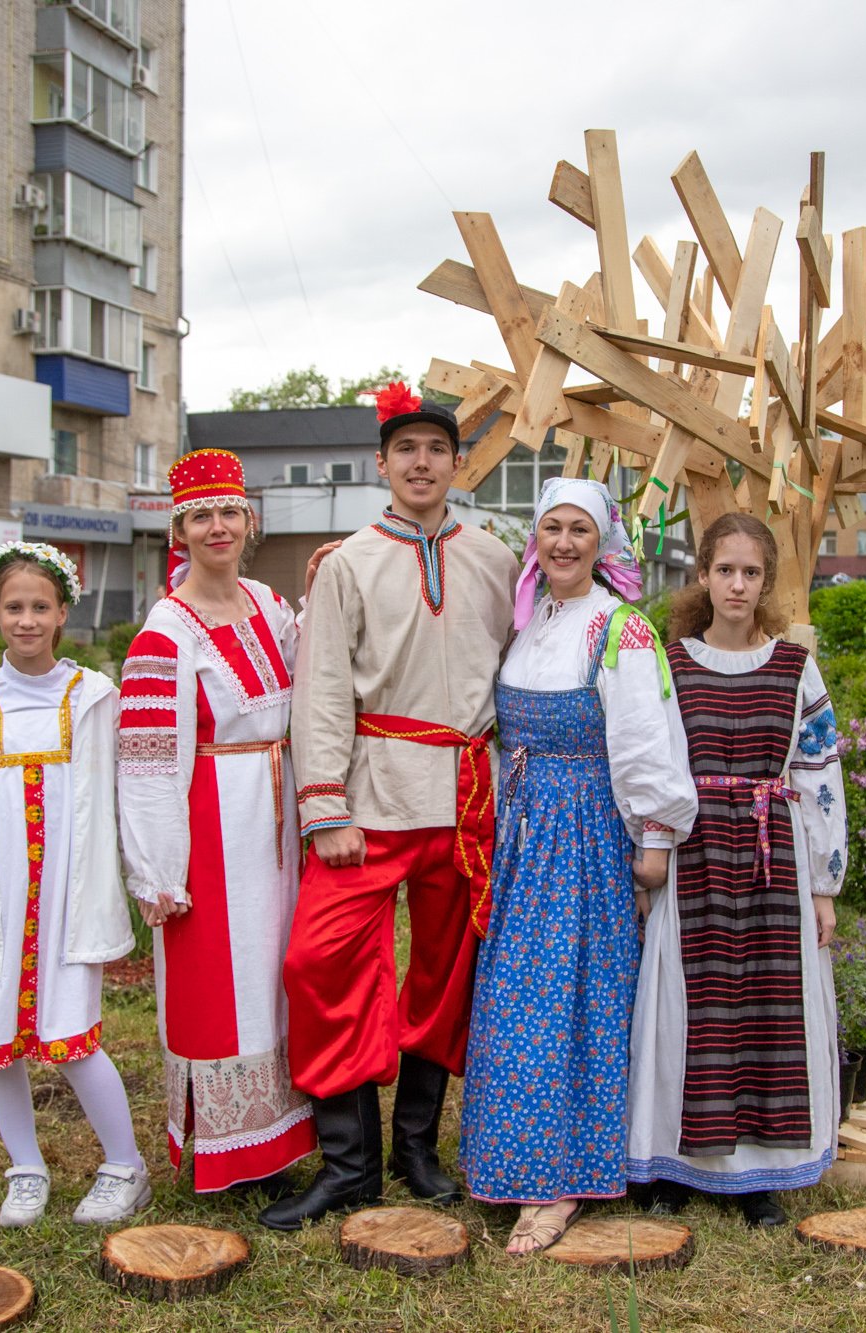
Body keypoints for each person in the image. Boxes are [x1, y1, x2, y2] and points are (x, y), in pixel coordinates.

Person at [268, 383, 519, 1230]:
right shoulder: (348, 562)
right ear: (382, 464)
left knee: (447, 976)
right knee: (320, 961)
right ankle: (349, 1163)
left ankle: (416, 1146)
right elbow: (324, 689)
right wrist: (324, 804)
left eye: (436, 450)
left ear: (456, 464)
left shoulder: (496, 557)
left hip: (466, 796)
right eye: (404, 449)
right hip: (370, 798)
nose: (420, 462)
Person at [457, 477, 698, 1256]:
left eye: (579, 532)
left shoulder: (620, 630)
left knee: (569, 999)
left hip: (587, 837)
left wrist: (653, 842)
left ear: (603, 545)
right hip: (527, 832)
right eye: (551, 529)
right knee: (515, 995)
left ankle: (560, 1178)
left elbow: (643, 738)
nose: (562, 542)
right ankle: (515, 1158)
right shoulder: (531, 619)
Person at [0, 542, 148, 1227]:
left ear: (62, 612)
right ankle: (25, 1168)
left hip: (68, 906)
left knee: (72, 1036)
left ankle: (125, 1165)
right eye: (13, 606)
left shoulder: (97, 697)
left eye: (39, 606)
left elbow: (128, 793)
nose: (26, 619)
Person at [624, 514, 848, 1230]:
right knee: (690, 1006)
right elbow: (654, 764)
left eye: (752, 573)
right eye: (726, 570)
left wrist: (822, 884)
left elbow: (819, 772)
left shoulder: (793, 665)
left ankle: (762, 1174)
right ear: (703, 576)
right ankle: (672, 1162)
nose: (738, 585)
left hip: (770, 857)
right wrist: (652, 848)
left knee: (769, 1009)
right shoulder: (674, 662)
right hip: (695, 856)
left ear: (767, 582)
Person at [118, 450, 316, 1197]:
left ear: (250, 519)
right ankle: (232, 1154)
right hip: (210, 830)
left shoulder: (268, 606)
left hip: (272, 819)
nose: (217, 526)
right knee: (218, 991)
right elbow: (143, 763)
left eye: (229, 510)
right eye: (201, 514)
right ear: (180, 530)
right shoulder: (165, 633)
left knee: (272, 979)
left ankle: (281, 1137)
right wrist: (159, 869)